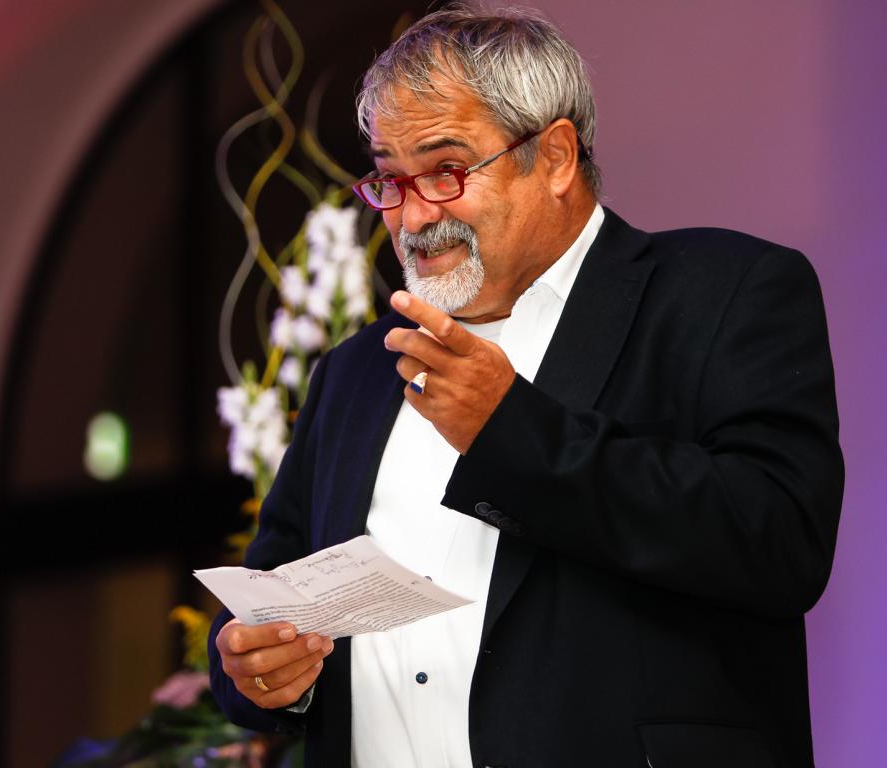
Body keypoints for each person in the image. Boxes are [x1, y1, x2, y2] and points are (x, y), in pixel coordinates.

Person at [208, 6, 843, 768]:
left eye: (445, 171)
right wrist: (256, 667)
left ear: (557, 157)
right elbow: (269, 591)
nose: (413, 216)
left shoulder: (722, 295)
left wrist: (512, 431)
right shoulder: (356, 370)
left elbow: (780, 542)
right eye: (391, 180)